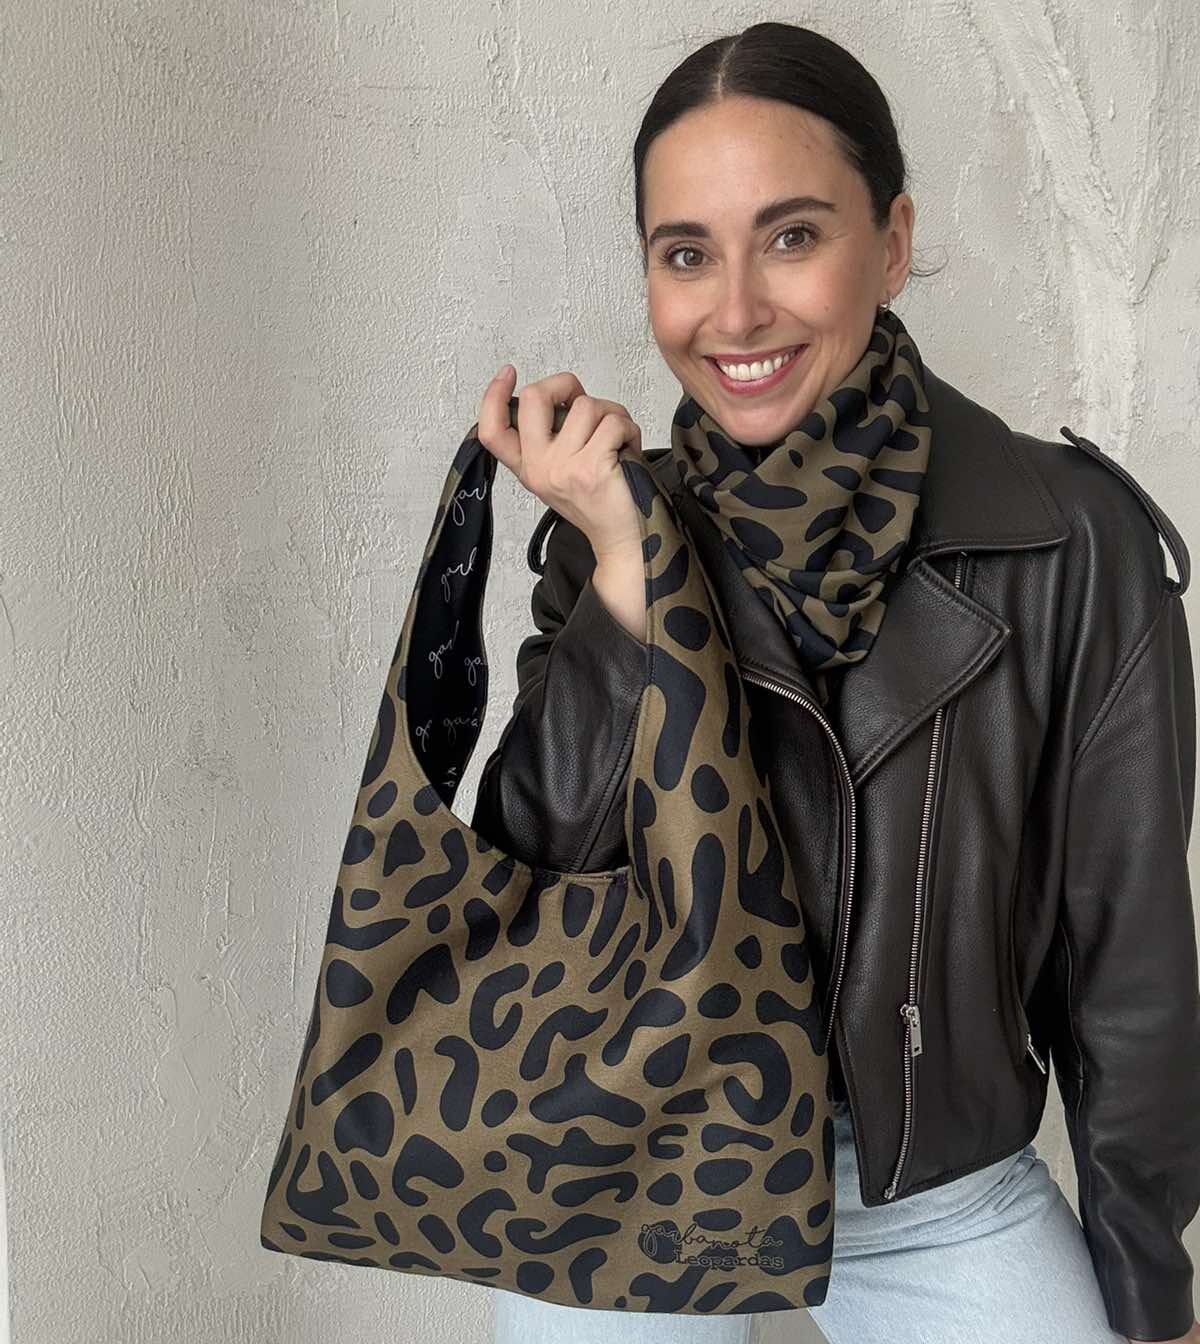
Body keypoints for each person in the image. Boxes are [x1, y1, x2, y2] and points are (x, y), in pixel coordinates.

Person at [468, 22, 1200, 1344]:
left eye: (793, 236)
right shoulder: (612, 532)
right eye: (687, 253)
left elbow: (1126, 953)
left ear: (894, 241)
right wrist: (629, 573)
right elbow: (528, 892)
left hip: (930, 1188)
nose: (737, 310)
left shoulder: (1066, 540)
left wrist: (1151, 1292)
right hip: (630, 1170)